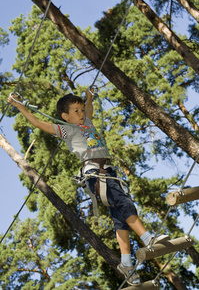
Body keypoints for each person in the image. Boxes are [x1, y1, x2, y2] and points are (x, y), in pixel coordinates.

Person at [8, 90, 169, 285]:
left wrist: (89, 99)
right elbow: (39, 123)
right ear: (65, 117)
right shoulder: (67, 129)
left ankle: (126, 263)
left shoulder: (88, 123)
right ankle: (148, 238)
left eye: (82, 109)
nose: (82, 113)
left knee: (120, 218)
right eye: (76, 111)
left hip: (109, 173)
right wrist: (20, 106)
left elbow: (89, 110)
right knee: (124, 203)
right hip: (95, 174)